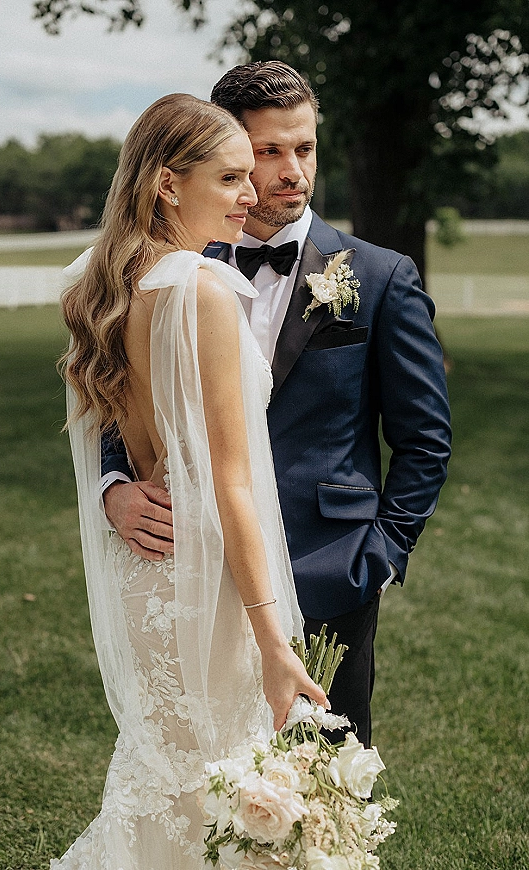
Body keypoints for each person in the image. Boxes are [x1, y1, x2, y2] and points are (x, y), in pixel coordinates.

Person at [102, 62, 452, 748]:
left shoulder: (379, 277)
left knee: (323, 793)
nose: (294, 171)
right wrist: (114, 487)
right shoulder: (161, 275)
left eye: (306, 148)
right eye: (268, 152)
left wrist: (378, 556)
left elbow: (425, 441)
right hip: (194, 567)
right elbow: (123, 395)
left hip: (328, 569)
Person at [54, 93, 326, 870]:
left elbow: (117, 435)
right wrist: (276, 643)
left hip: (147, 575)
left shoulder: (99, 286)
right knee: (227, 795)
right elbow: (231, 486)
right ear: (168, 184)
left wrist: (117, 491)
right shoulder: (201, 290)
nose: (253, 195)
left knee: (171, 782)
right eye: (232, 177)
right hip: (206, 581)